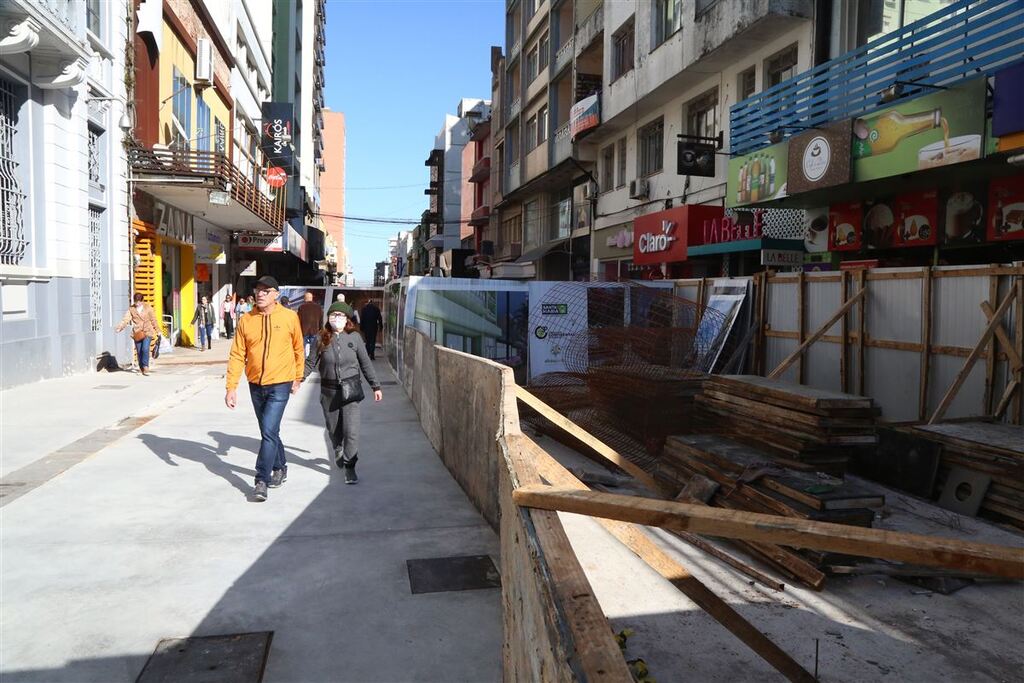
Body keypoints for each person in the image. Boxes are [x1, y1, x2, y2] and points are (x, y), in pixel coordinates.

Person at [225, 276, 305, 502]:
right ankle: (280, 466)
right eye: (257, 290)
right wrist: (231, 387)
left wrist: (298, 377)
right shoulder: (246, 320)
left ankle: (261, 479)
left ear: (276, 294)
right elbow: (237, 354)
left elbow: (299, 349)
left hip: (281, 383)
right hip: (255, 384)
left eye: (265, 290)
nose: (260, 294)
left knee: (269, 430)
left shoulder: (290, 318)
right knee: (269, 431)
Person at [303, 302, 382, 484]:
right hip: (328, 393)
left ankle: (350, 467)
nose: (336, 318)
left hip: (350, 391)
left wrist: (375, 386)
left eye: (340, 315)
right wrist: (298, 379)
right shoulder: (321, 338)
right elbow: (310, 362)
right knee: (333, 429)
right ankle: (337, 447)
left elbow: (365, 364)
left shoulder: (355, 338)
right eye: (333, 314)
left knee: (351, 431)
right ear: (328, 317)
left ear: (347, 319)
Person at [116, 293, 160, 376]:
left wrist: (158, 330)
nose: (137, 304)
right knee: (139, 351)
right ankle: (141, 367)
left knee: (145, 349)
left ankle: (146, 366)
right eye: (136, 302)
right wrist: (120, 327)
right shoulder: (131, 309)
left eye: (139, 302)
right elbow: (126, 319)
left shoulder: (148, 308)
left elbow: (154, 320)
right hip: (137, 333)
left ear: (142, 301)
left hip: (147, 331)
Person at [297, 291, 323, 357]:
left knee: (301, 349)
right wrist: (320, 329)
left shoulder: (301, 307)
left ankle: (303, 362)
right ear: (311, 298)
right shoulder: (318, 307)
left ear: (305, 298)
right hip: (315, 330)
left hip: (303, 331)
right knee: (314, 349)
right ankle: (313, 362)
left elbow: (298, 320)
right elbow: (321, 320)